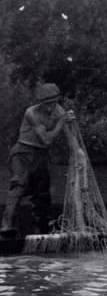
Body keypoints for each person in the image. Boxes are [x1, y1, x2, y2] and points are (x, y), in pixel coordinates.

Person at [1, 83, 83, 237]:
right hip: (22, 152)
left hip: (41, 155)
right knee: (19, 185)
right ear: (41, 103)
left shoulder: (60, 111)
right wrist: (61, 121)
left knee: (42, 192)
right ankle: (7, 224)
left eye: (53, 103)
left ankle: (41, 228)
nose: (50, 108)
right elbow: (46, 140)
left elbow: (69, 137)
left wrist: (78, 152)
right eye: (47, 104)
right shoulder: (31, 113)